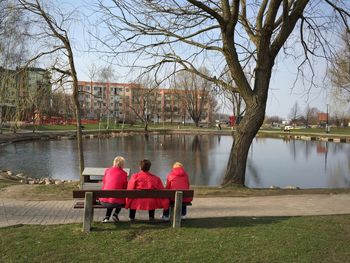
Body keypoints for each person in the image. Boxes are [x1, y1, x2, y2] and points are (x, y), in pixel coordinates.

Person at [99, 156, 128, 223]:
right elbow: (124, 186)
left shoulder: (107, 170)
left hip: (103, 201)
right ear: (123, 164)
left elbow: (104, 181)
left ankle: (107, 217)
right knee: (120, 197)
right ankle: (115, 214)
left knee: (112, 197)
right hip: (116, 203)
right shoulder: (124, 173)